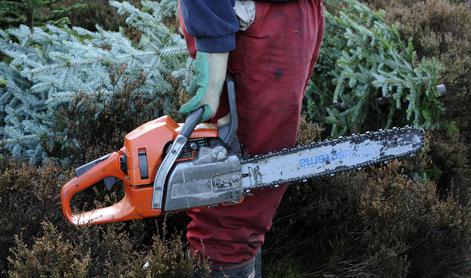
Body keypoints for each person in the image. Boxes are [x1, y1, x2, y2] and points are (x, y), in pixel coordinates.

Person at [178, 0, 325, 277]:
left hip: (293, 15)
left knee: (256, 191)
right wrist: (213, 45)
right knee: (232, 194)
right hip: (248, 19)